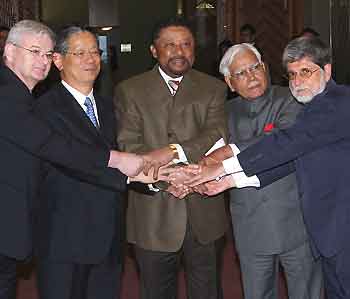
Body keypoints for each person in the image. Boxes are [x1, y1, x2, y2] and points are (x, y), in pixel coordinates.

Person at [183, 36, 349, 299]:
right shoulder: (312, 105)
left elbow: (284, 143)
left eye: (306, 72)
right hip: (323, 231)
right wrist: (229, 181)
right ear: (229, 82)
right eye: (292, 74)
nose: (297, 81)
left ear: (327, 70)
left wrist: (222, 165)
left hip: (335, 229)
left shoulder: (337, 103)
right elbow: (289, 159)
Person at [0, 20, 145, 299]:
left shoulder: (26, 98)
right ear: (9, 51)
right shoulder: (12, 96)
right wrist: (119, 162)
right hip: (53, 234)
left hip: (96, 233)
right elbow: (55, 148)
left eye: (46, 53)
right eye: (34, 51)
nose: (42, 60)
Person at [114, 17, 228, 299]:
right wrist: (170, 178)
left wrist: (176, 153)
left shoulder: (213, 88)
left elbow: (216, 135)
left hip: (204, 210)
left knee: (208, 292)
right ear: (154, 50)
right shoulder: (130, 90)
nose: (179, 51)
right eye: (170, 45)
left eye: (186, 44)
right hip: (154, 214)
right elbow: (130, 145)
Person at [214, 43, 323, 299]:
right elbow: (206, 147)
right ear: (230, 83)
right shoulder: (223, 112)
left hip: (297, 224)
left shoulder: (292, 98)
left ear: (265, 68)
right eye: (241, 73)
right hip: (249, 223)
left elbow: (277, 141)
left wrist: (227, 152)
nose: (251, 76)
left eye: (255, 67)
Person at [33, 26, 126, 299]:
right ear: (58, 61)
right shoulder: (43, 109)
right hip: (65, 240)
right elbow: (74, 163)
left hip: (108, 236)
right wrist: (133, 174)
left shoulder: (108, 106)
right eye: (80, 53)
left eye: (95, 52)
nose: (91, 59)